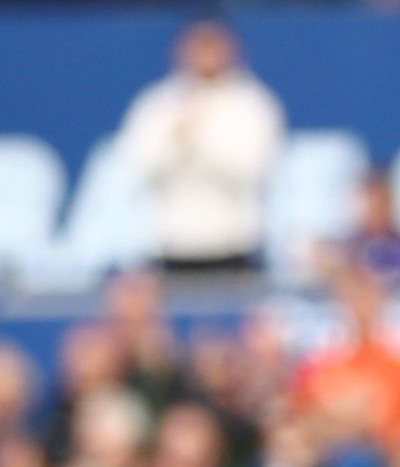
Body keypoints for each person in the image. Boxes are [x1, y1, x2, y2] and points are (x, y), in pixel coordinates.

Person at [119, 20, 285, 280]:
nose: (205, 56)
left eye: (213, 46)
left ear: (231, 49)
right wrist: (178, 139)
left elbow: (253, 170)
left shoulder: (253, 104)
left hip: (233, 245)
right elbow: (141, 167)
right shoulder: (158, 103)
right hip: (172, 245)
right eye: (198, 46)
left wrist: (202, 137)